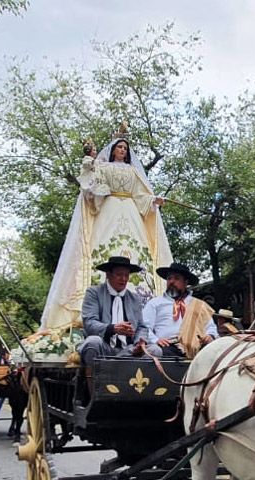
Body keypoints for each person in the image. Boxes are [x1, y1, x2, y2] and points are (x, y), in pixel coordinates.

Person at [38, 125, 174, 332]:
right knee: (102, 247)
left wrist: (153, 200)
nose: (122, 150)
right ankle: (98, 292)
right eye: (119, 147)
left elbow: (140, 195)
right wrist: (90, 166)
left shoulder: (133, 171)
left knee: (138, 253)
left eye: (125, 148)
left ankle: (141, 300)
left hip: (131, 212)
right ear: (113, 150)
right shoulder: (103, 167)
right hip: (109, 211)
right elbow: (92, 187)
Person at [78, 255, 150, 368]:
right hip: (104, 348)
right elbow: (89, 323)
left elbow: (141, 327)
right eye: (119, 274)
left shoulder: (135, 298)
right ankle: (93, 379)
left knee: (155, 350)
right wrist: (113, 328)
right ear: (108, 274)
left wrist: (140, 342)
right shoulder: (94, 293)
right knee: (92, 342)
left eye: (126, 275)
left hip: (129, 351)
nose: (124, 279)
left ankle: (138, 379)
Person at [143, 262, 218, 359]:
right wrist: (156, 340)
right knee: (155, 351)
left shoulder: (199, 305)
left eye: (176, 278)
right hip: (167, 347)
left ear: (185, 282)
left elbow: (211, 328)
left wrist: (210, 336)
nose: (171, 281)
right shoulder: (155, 303)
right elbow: (144, 327)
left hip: (197, 349)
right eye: (169, 278)